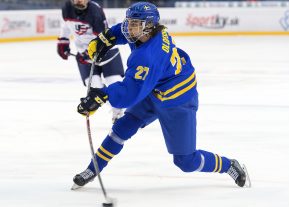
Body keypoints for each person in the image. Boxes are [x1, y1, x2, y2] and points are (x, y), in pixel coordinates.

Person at [73, 1, 251, 189]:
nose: (128, 27)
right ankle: (93, 169)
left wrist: (102, 95)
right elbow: (123, 34)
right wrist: (106, 37)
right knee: (121, 129)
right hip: (156, 87)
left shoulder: (148, 56)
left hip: (178, 100)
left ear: (148, 26)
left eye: (134, 24)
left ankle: (228, 165)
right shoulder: (149, 34)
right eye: (129, 22)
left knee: (186, 161)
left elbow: (131, 91)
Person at [57, 0, 125, 123]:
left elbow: (103, 39)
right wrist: (63, 41)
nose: (80, 0)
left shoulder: (95, 11)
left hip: (107, 52)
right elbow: (65, 26)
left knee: (114, 83)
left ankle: (118, 113)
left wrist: (87, 54)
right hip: (84, 53)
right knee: (95, 87)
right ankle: (116, 110)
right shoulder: (67, 8)